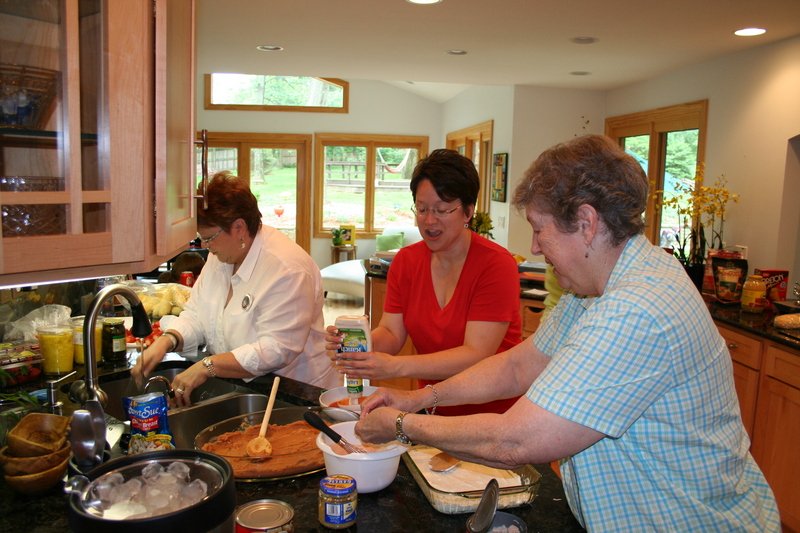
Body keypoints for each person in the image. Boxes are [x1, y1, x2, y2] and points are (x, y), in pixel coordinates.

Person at [354, 135, 780, 531]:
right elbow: (518, 366)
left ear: (586, 222)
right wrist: (418, 398)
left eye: (540, 228)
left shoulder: (635, 310)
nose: (535, 247)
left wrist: (403, 425)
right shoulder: (595, 289)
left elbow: (515, 441)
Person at [326, 148, 523, 416]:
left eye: (441, 210)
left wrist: (395, 366)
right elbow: (392, 332)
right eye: (421, 209)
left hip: (494, 414)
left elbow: (476, 353)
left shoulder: (496, 265)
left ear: (468, 212)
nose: (429, 221)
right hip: (432, 408)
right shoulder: (406, 262)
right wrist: (356, 345)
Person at [132, 171, 340, 405]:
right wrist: (168, 340)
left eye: (209, 238)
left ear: (239, 227)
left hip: (296, 393)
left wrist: (208, 366)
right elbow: (198, 314)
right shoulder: (222, 255)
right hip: (248, 386)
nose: (205, 246)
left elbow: (275, 349)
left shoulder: (287, 269)